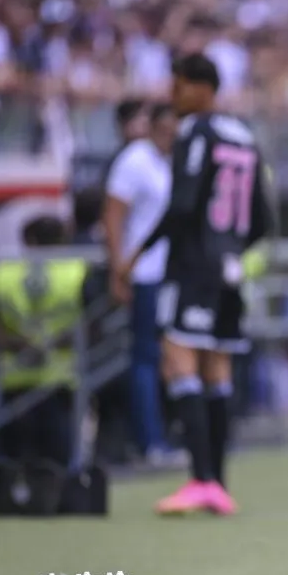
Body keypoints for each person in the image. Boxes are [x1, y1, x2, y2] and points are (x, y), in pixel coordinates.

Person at [121, 53, 274, 516]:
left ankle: (200, 478)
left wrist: (137, 252)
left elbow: (184, 206)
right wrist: (231, 250)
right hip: (230, 270)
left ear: (200, 87)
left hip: (192, 268)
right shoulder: (245, 135)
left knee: (179, 361)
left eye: (179, 83)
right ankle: (218, 485)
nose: (173, 93)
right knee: (217, 373)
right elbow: (263, 218)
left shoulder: (195, 131)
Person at [102, 103, 183, 464]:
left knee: (168, 356)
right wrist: (118, 270)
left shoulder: (170, 162)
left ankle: (163, 434)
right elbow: (114, 217)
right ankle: (149, 440)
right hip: (145, 273)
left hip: (167, 272)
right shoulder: (135, 161)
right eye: (165, 131)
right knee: (146, 358)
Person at [0, 216, 90, 468]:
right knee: (57, 463)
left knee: (16, 462)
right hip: (60, 378)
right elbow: (93, 321)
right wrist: (60, 342)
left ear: (27, 241)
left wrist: (18, 345)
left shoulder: (7, 271)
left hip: (16, 377)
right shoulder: (76, 269)